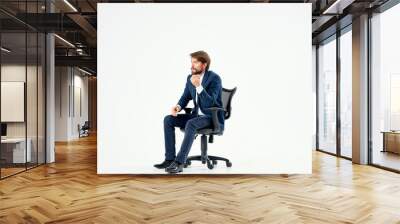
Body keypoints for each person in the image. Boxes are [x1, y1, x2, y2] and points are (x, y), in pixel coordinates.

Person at [154, 50, 224, 173]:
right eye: (191, 62)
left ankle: (180, 162)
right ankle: (170, 159)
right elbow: (186, 96)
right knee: (168, 120)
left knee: (191, 124)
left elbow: (210, 103)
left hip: (211, 117)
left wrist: (199, 87)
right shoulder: (190, 78)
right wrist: (178, 107)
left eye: (195, 63)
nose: (192, 66)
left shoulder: (215, 79)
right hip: (196, 116)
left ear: (204, 64)